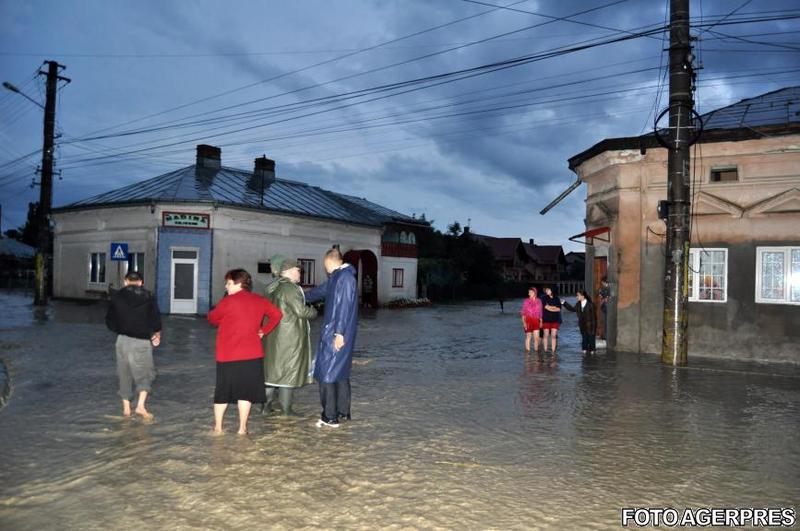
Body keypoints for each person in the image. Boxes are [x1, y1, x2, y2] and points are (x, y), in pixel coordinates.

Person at [208, 269, 282, 435]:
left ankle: (218, 428)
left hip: (228, 355)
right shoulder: (259, 300)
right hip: (252, 355)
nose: (226, 286)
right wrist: (264, 330)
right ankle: (242, 428)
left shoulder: (228, 301)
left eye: (228, 283)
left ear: (238, 283)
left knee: (222, 393)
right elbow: (277, 314)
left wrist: (223, 311)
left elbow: (212, 318)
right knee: (245, 393)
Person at [305, 248, 358, 428]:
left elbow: (344, 306)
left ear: (328, 261)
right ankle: (343, 413)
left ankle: (329, 417)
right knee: (340, 373)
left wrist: (339, 333)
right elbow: (319, 292)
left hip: (336, 333)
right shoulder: (338, 277)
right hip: (337, 331)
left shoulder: (344, 278)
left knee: (325, 373)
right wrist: (300, 296)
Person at [263, 259, 318, 415]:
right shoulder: (290, 289)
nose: (300, 273)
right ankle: (287, 411)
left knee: (273, 372)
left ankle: (265, 408)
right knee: (288, 371)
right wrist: (314, 311)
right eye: (298, 270)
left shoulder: (274, 288)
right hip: (289, 337)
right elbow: (301, 311)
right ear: (287, 271)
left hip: (275, 335)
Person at [105, 271, 162, 421]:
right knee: (146, 374)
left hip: (122, 341)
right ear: (141, 282)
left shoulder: (116, 297)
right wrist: (156, 335)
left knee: (124, 374)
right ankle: (140, 406)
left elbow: (109, 322)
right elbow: (156, 321)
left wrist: (121, 328)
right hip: (141, 342)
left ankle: (126, 410)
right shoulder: (149, 297)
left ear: (125, 282)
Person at [562, 290, 597, 356]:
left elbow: (594, 318)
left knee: (591, 341)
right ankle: (584, 356)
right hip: (582, 326)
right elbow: (572, 309)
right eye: (577, 295)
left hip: (590, 326)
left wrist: (594, 328)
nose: (576, 297)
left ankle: (593, 357)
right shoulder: (578, 304)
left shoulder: (590, 304)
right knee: (584, 340)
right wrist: (564, 303)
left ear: (583, 296)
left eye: (578, 295)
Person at [520, 286, 543, 352]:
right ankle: (528, 352)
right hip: (528, 321)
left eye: (531, 292)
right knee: (528, 337)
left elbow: (541, 312)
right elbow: (523, 313)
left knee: (536, 338)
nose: (529, 293)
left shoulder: (539, 301)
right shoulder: (526, 301)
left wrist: (541, 321)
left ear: (535, 293)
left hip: (536, 320)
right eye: (529, 292)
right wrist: (524, 323)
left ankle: (536, 351)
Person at [541, 286, 562, 353]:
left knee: (553, 336)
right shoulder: (543, 298)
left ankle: (553, 351)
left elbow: (559, 309)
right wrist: (553, 307)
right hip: (546, 319)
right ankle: (545, 350)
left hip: (555, 320)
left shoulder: (557, 298)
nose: (547, 290)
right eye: (546, 289)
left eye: (548, 289)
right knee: (546, 335)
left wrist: (550, 307)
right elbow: (546, 307)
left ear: (552, 290)